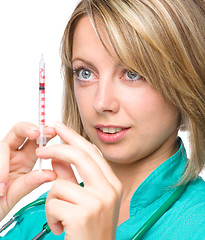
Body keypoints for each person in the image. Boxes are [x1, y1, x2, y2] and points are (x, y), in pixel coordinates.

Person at [0, 0, 205, 239]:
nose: (101, 102)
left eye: (132, 73)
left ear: (186, 80)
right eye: (85, 73)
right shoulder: (43, 212)